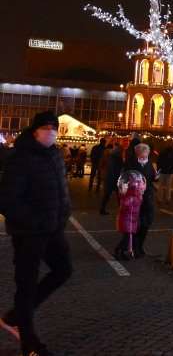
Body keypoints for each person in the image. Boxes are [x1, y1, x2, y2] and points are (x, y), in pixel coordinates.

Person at [0, 111, 73, 356]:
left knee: (63, 270)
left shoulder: (55, 155)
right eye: (47, 127)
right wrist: (33, 221)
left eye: (55, 127)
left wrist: (63, 215)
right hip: (29, 233)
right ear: (35, 130)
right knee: (27, 284)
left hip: (53, 229)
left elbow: (61, 190)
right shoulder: (21, 157)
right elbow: (8, 200)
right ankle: (29, 343)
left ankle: (16, 315)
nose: (51, 131)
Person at [125, 143, 157, 257]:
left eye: (146, 155)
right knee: (134, 223)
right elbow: (125, 178)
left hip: (147, 196)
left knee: (147, 221)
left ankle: (140, 246)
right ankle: (132, 246)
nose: (144, 158)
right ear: (137, 153)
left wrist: (155, 177)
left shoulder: (149, 163)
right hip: (134, 197)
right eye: (142, 156)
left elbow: (152, 176)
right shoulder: (131, 163)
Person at [113, 169, 147, 261]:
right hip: (126, 220)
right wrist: (124, 191)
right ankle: (119, 251)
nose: (141, 189)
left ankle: (124, 252)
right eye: (139, 187)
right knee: (127, 238)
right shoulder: (130, 197)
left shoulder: (136, 197)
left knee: (128, 238)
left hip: (132, 220)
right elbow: (124, 205)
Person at [99, 144, 124, 215]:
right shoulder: (117, 158)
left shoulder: (111, 157)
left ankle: (102, 208)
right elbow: (116, 169)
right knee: (118, 195)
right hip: (114, 178)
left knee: (108, 195)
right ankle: (121, 210)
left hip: (110, 178)